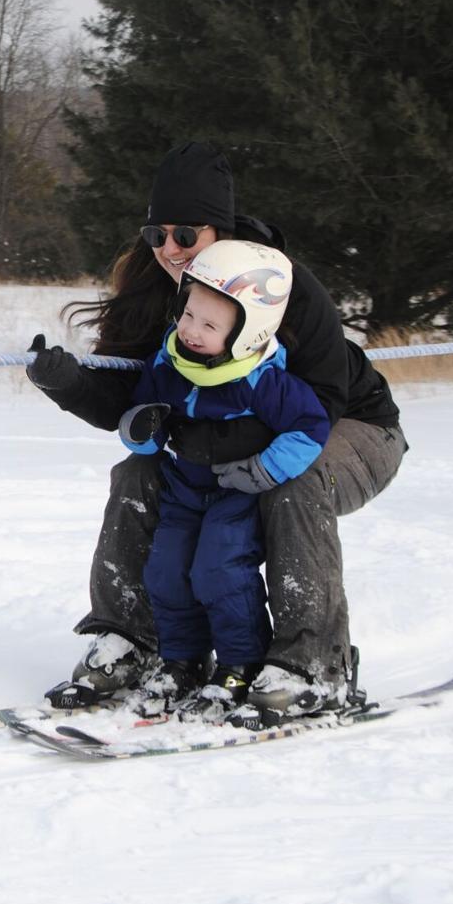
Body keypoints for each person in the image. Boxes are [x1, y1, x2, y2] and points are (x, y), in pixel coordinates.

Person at [27, 140, 406, 729]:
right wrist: (69, 383)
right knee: (139, 471)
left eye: (186, 234)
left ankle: (313, 664)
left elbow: (321, 405)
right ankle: (132, 639)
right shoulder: (159, 292)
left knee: (292, 482)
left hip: (348, 429)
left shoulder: (283, 287)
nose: (170, 251)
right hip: (222, 446)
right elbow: (137, 403)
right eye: (157, 236)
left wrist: (220, 443)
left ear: (220, 231)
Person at [116, 238, 332, 724]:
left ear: (248, 332)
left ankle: (239, 665)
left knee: (219, 571)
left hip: (237, 494)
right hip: (184, 489)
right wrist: (142, 433)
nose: (191, 331)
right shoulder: (169, 362)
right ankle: (182, 662)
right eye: (188, 315)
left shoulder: (263, 380)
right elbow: (144, 420)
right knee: (166, 570)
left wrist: (264, 471)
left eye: (210, 325)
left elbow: (310, 428)